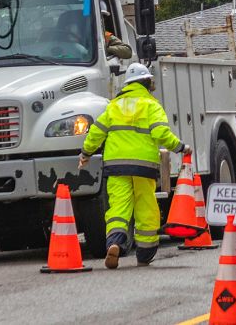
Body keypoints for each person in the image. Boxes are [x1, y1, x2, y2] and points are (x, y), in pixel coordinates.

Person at [78, 63, 191, 268]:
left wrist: (86, 153)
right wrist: (181, 147)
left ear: (128, 84)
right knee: (145, 206)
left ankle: (115, 242)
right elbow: (161, 134)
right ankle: (145, 252)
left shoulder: (113, 106)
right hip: (143, 166)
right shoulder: (151, 106)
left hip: (116, 165)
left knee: (119, 207)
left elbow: (96, 133)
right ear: (147, 82)